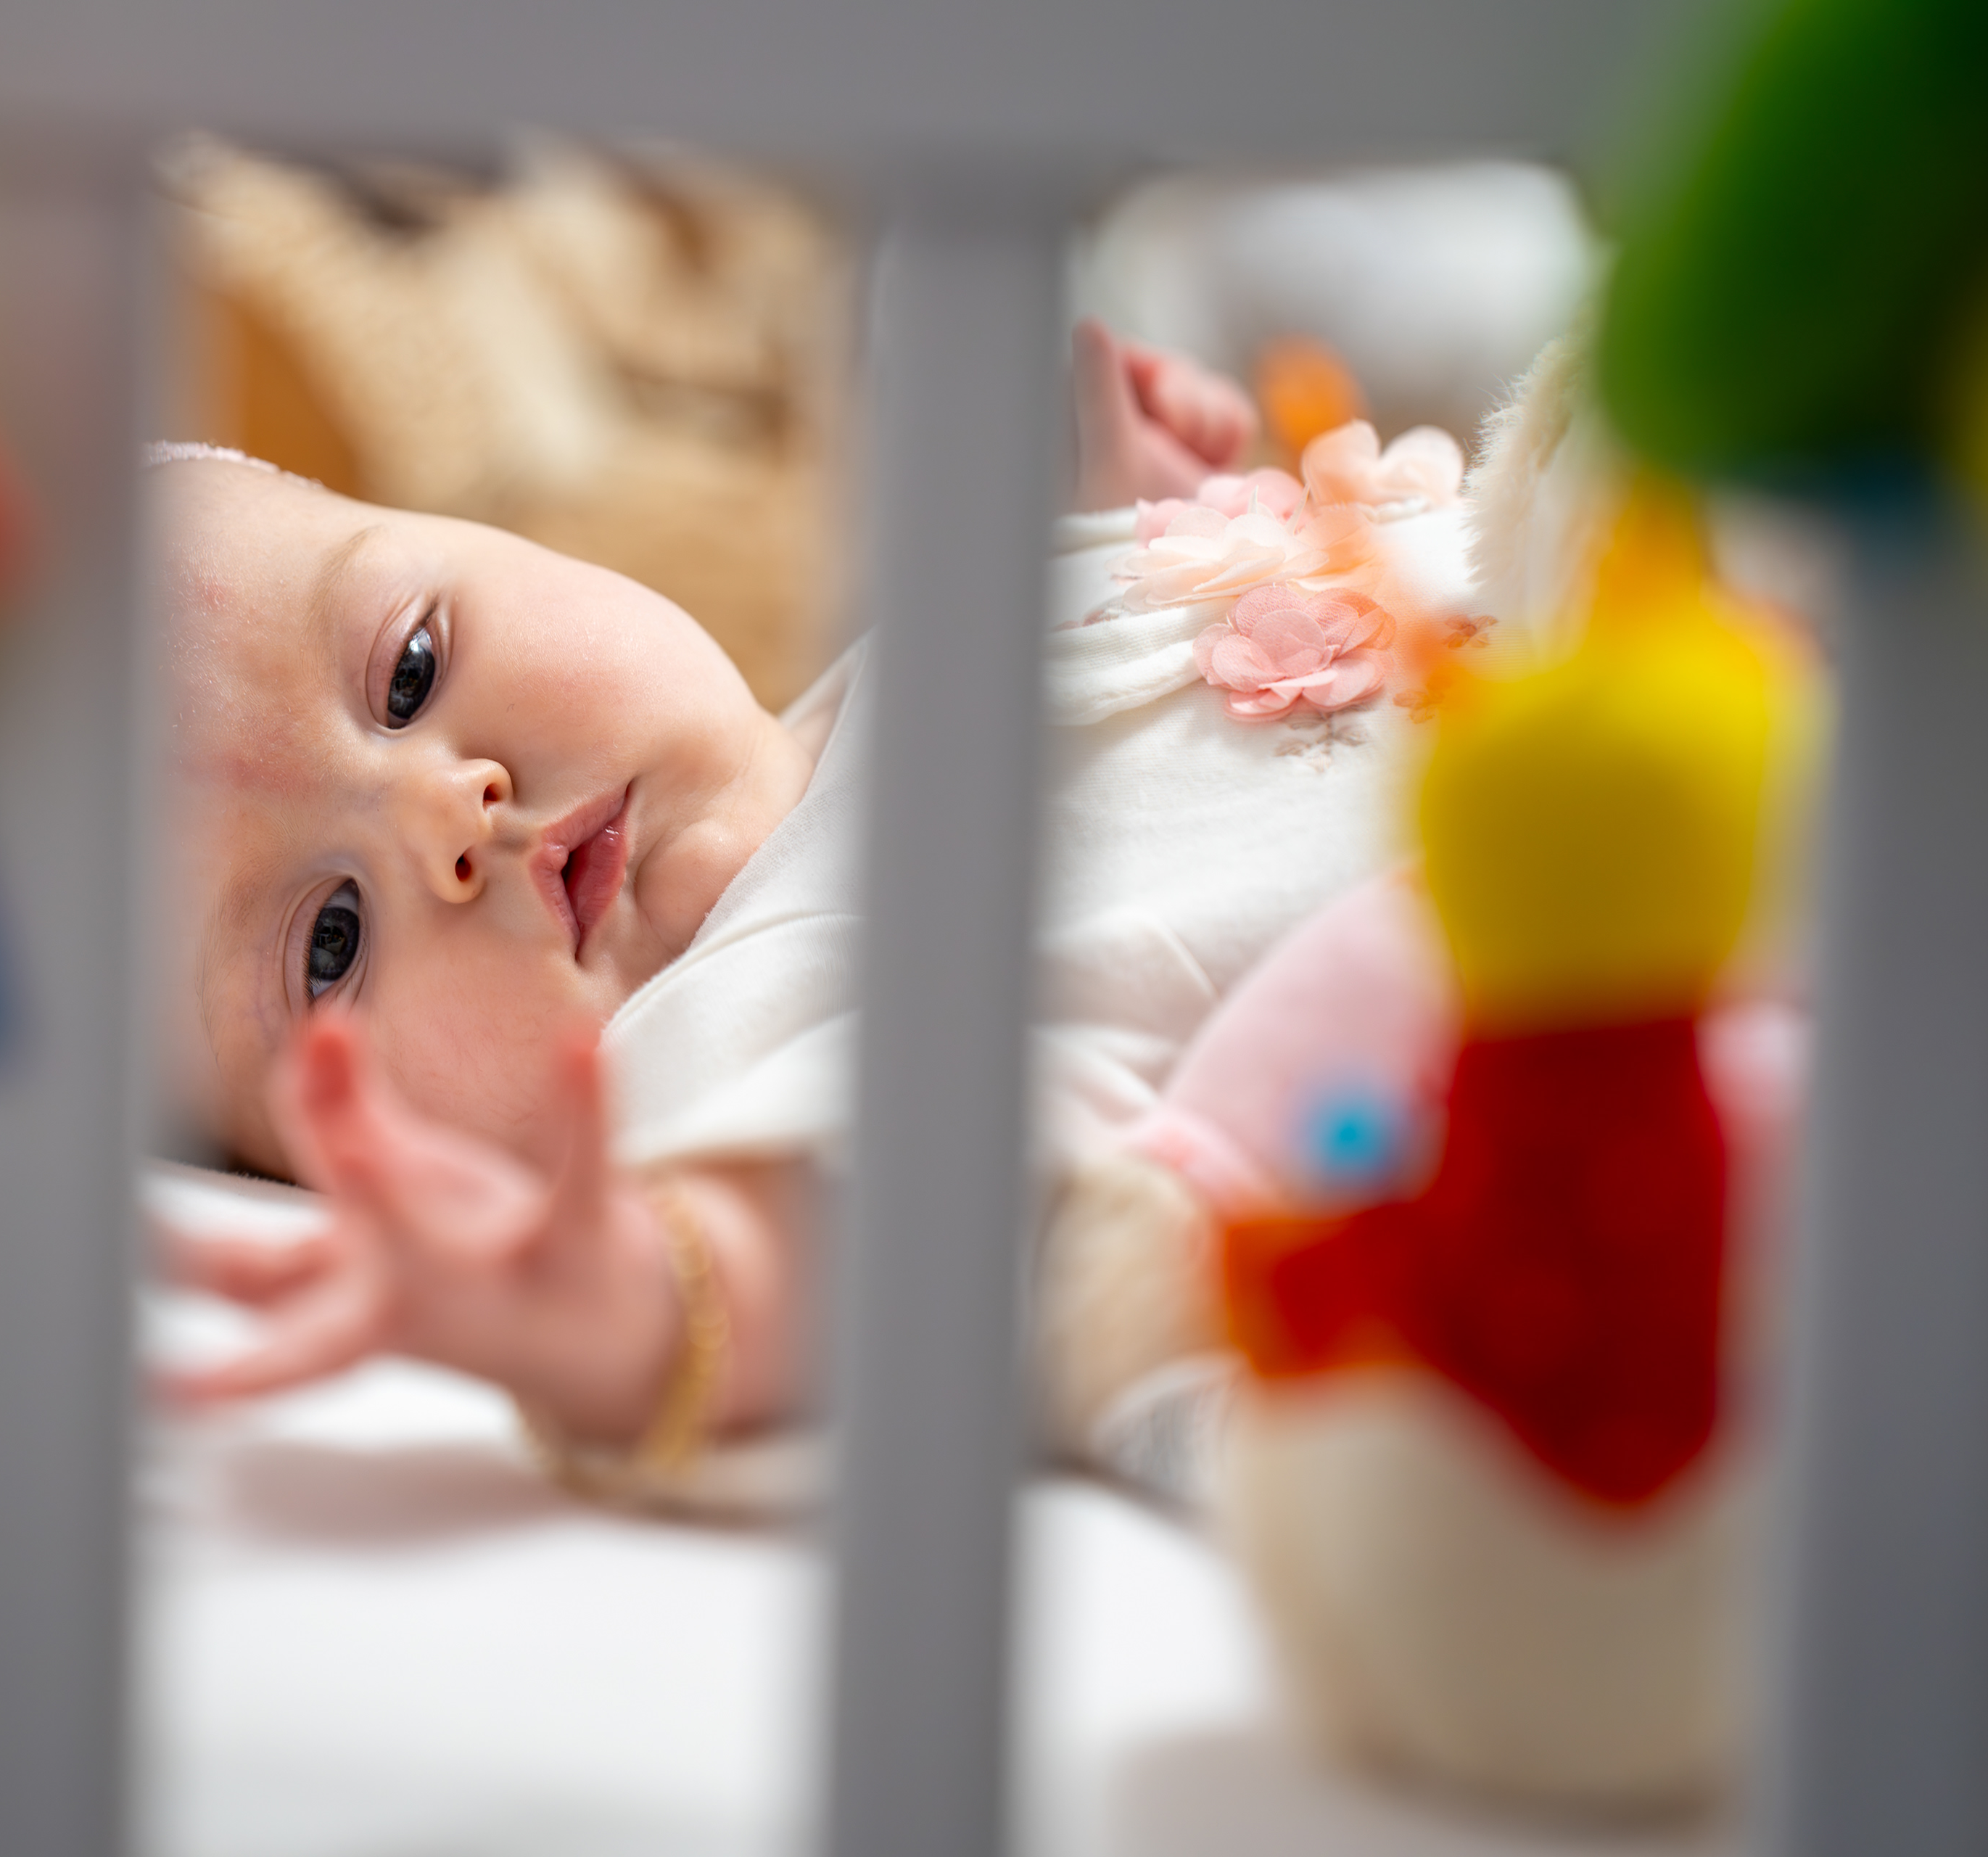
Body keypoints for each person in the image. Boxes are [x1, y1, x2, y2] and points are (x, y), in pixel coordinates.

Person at [156, 319, 1483, 1507]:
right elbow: (853, 1243)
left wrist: (1131, 522)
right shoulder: (732, 1045)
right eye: (330, 942)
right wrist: (624, 1311)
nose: (447, 816)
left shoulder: (923, 656)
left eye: (410, 670)